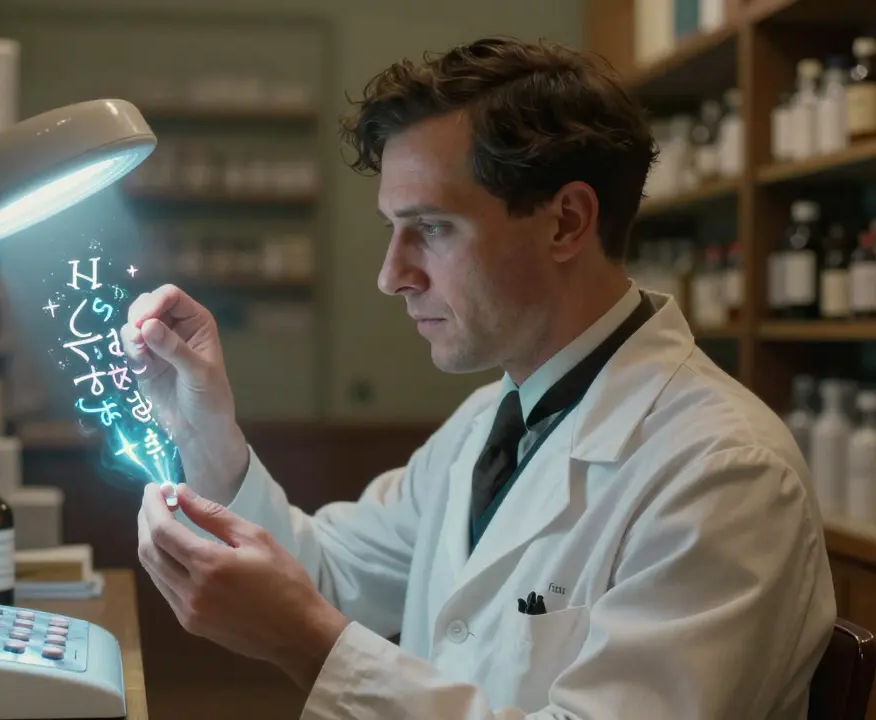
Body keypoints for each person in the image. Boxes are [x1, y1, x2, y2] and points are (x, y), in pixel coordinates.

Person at [126, 36, 835, 719]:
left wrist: (310, 648)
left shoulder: (723, 472)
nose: (391, 276)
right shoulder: (489, 423)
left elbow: (309, 614)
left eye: (431, 228)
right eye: (390, 230)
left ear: (566, 221)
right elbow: (329, 576)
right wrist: (202, 425)